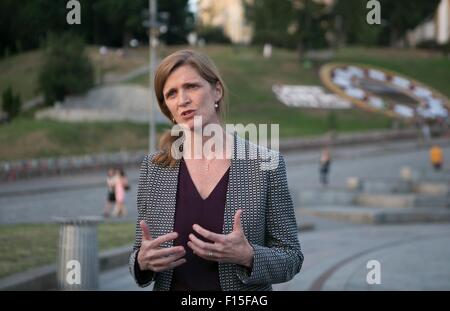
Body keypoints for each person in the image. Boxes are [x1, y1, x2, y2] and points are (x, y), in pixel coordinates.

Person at [129, 49, 303, 291]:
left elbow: (292, 257)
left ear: (217, 91)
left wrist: (248, 256)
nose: (182, 100)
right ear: (167, 107)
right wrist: (140, 262)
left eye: (191, 87)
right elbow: (140, 254)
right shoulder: (154, 168)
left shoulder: (265, 164)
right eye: (171, 94)